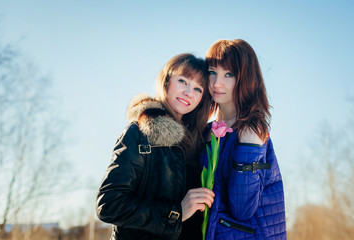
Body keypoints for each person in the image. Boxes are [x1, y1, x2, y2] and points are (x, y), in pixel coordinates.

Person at [96, 53, 215, 240]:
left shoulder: (202, 144)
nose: (189, 93)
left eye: (198, 89)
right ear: (167, 82)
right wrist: (175, 213)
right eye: (183, 81)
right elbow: (109, 204)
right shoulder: (139, 134)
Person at [200, 39, 286, 239]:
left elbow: (242, 209)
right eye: (213, 72)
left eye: (228, 74)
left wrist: (248, 149)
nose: (216, 83)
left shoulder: (251, 130)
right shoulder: (208, 131)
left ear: (245, 78)